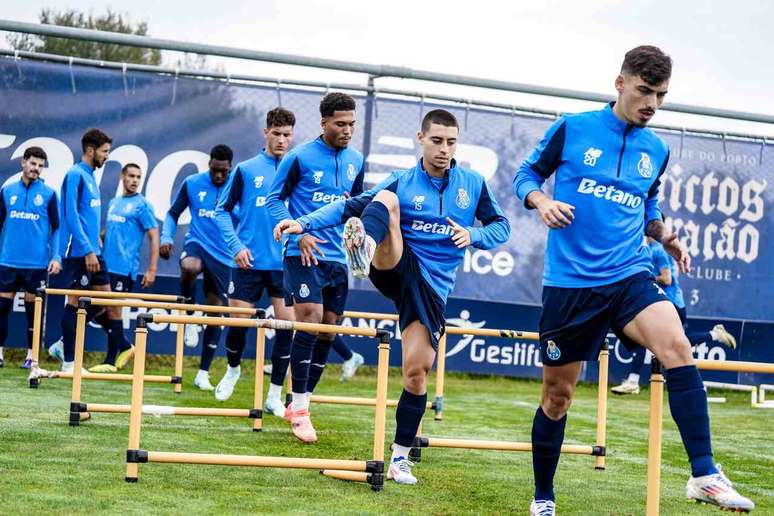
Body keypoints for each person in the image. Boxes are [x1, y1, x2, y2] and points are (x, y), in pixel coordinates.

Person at [512, 45, 754, 514]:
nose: (652, 104)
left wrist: (665, 235)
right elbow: (527, 174)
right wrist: (541, 202)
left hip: (629, 275)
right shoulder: (573, 127)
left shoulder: (656, 149)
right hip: (570, 284)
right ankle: (543, 496)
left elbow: (646, 205)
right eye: (645, 91)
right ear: (620, 83)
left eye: (661, 95)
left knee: (678, 347)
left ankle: (704, 473)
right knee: (558, 396)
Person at [275, 108, 510, 483]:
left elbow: (502, 226)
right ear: (421, 139)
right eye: (436, 141)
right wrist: (301, 223)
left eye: (450, 142)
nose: (443, 149)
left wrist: (475, 236)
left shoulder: (473, 184)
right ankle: (363, 246)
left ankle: (400, 458)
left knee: (417, 372)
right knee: (385, 200)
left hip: (432, 287)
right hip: (394, 264)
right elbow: (348, 206)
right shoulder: (403, 179)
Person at [266, 92, 366, 442]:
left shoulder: (356, 159)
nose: (347, 130)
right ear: (323, 123)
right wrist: (300, 231)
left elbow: (355, 206)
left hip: (338, 258)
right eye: (341, 124)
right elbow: (273, 201)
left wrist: (359, 240)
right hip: (301, 252)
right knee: (308, 318)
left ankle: (301, 401)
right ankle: (301, 408)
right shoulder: (298, 157)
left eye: (352, 124)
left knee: (328, 330)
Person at [212, 108, 297, 411]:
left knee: (287, 328)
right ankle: (233, 369)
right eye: (277, 133)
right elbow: (221, 211)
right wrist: (235, 246)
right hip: (246, 262)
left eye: (287, 135)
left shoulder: (297, 169)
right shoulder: (246, 170)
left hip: (284, 264)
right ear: (266, 133)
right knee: (239, 323)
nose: (282, 140)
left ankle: (274, 394)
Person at [611, 236, 737, 394]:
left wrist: (644, 281)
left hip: (671, 303)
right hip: (660, 303)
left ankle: (714, 335)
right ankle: (633, 381)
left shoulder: (658, 251)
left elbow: (667, 279)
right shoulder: (648, 249)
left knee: (676, 344)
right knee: (652, 340)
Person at [49, 129, 128, 374]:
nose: (107, 156)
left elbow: (86, 217)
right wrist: (86, 250)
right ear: (91, 150)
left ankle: (65, 345)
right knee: (75, 303)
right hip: (81, 253)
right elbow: (70, 217)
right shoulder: (75, 175)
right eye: (105, 152)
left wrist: (96, 245)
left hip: (95, 251)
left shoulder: (91, 176)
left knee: (106, 301)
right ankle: (69, 362)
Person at [160, 144, 234, 390]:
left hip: (224, 255)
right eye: (215, 170)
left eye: (224, 171)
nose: (219, 176)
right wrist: (166, 238)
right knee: (190, 266)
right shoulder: (193, 183)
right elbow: (173, 213)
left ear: (230, 168)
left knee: (216, 312)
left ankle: (203, 373)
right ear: (209, 164)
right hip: (198, 242)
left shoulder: (237, 187)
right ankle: (190, 316)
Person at [88, 163, 159, 373]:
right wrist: (100, 238)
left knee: (113, 310)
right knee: (102, 310)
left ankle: (111, 360)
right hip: (105, 265)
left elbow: (154, 236)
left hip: (124, 268)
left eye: (138, 177)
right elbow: (112, 230)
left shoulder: (142, 205)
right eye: (131, 176)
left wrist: (152, 269)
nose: (135, 180)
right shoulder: (114, 202)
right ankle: (123, 348)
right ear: (122, 177)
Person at [0, 147, 61, 369]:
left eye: (40, 165)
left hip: (36, 264)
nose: (36, 168)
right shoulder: (7, 191)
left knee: (33, 313)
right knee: (1, 309)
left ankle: (31, 356)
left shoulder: (49, 194)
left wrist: (56, 256)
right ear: (23, 163)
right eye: (33, 163)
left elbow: (57, 228)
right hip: (7, 261)